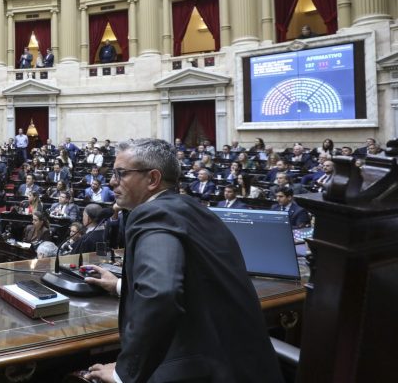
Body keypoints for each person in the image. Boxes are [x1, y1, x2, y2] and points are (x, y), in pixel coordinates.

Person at [83, 138, 283, 383]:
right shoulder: (190, 208)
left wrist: (123, 374)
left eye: (121, 173)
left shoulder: (153, 214)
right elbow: (194, 282)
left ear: (152, 179)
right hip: (243, 363)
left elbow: (161, 294)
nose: (112, 181)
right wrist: (118, 285)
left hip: (210, 372)